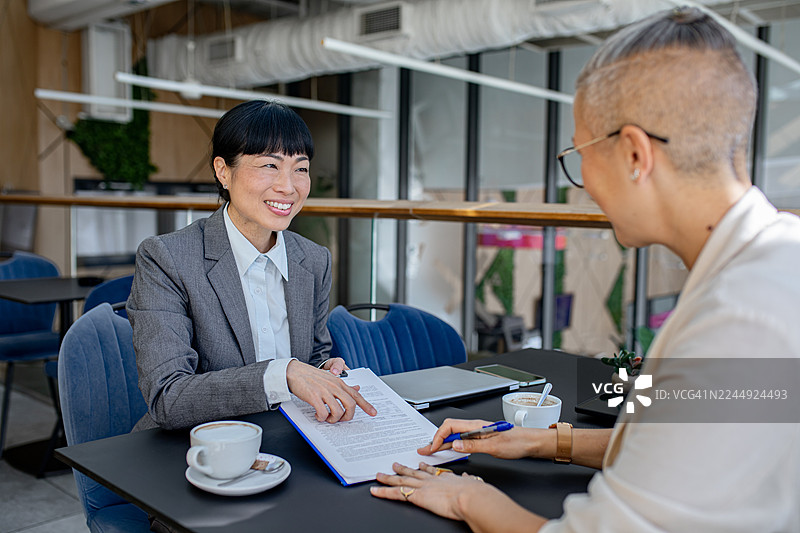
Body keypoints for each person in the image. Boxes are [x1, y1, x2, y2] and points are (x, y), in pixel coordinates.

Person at [371, 7, 800, 532]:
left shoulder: (739, 323)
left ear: (635, 154)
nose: (584, 183)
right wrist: (545, 439)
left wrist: (465, 498)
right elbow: (681, 447)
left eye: (579, 152)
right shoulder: (774, 265)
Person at [127, 100, 376, 432]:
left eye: (300, 168)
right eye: (269, 166)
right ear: (223, 171)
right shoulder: (167, 258)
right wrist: (284, 373)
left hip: (291, 435)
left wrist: (322, 369)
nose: (288, 186)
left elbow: (314, 353)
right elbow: (167, 398)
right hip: (198, 449)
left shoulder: (314, 260)